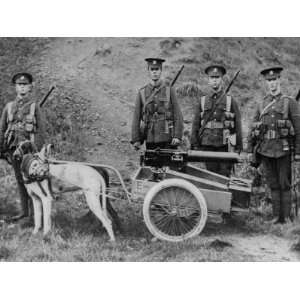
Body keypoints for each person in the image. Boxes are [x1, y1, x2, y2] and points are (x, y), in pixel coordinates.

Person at [247, 66, 300, 224]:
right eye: (269, 81)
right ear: (266, 83)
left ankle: (287, 218)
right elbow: (253, 128)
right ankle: (277, 217)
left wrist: (298, 152)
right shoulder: (262, 104)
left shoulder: (289, 102)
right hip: (266, 150)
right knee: (273, 184)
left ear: (279, 80)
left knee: (285, 184)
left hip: (283, 149)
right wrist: (250, 149)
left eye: (274, 80)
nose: (272, 84)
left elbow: (298, 129)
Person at [0, 73, 45, 222]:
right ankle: (25, 213)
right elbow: (2, 129)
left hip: (29, 151)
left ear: (30, 87)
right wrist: (1, 150)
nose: (22, 87)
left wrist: (36, 150)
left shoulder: (34, 106)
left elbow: (41, 131)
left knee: (33, 179)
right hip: (14, 150)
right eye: (20, 85)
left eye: (25, 85)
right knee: (20, 180)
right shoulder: (9, 107)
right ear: (15, 87)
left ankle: (35, 215)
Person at [190, 64, 242, 177]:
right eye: (212, 78)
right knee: (211, 176)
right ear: (208, 80)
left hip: (224, 145)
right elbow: (196, 123)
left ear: (221, 80)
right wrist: (194, 143)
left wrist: (238, 147)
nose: (214, 80)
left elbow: (237, 124)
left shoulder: (229, 100)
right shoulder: (203, 101)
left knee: (224, 176)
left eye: (217, 78)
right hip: (207, 144)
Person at [131, 57, 183, 151]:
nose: (154, 72)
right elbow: (136, 117)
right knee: (150, 164)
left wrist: (177, 136)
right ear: (148, 71)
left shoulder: (169, 90)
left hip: (167, 138)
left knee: (168, 165)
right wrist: (136, 139)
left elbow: (177, 114)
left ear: (161, 71)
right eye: (152, 69)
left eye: (157, 69)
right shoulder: (142, 92)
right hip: (150, 138)